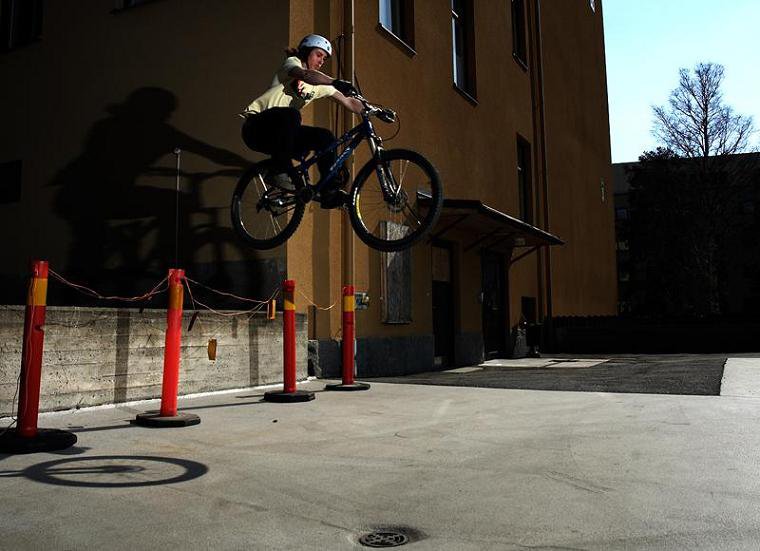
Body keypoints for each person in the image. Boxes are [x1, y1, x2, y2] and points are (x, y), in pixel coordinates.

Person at [240, 34, 363, 208]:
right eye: (319, 55)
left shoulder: (320, 87)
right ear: (306, 52)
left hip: (282, 136)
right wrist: (335, 81)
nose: (322, 61)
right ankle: (278, 170)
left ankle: (328, 192)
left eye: (325, 59)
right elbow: (306, 75)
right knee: (292, 115)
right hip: (257, 128)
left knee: (325, 137)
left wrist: (372, 110)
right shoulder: (292, 63)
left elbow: (349, 102)